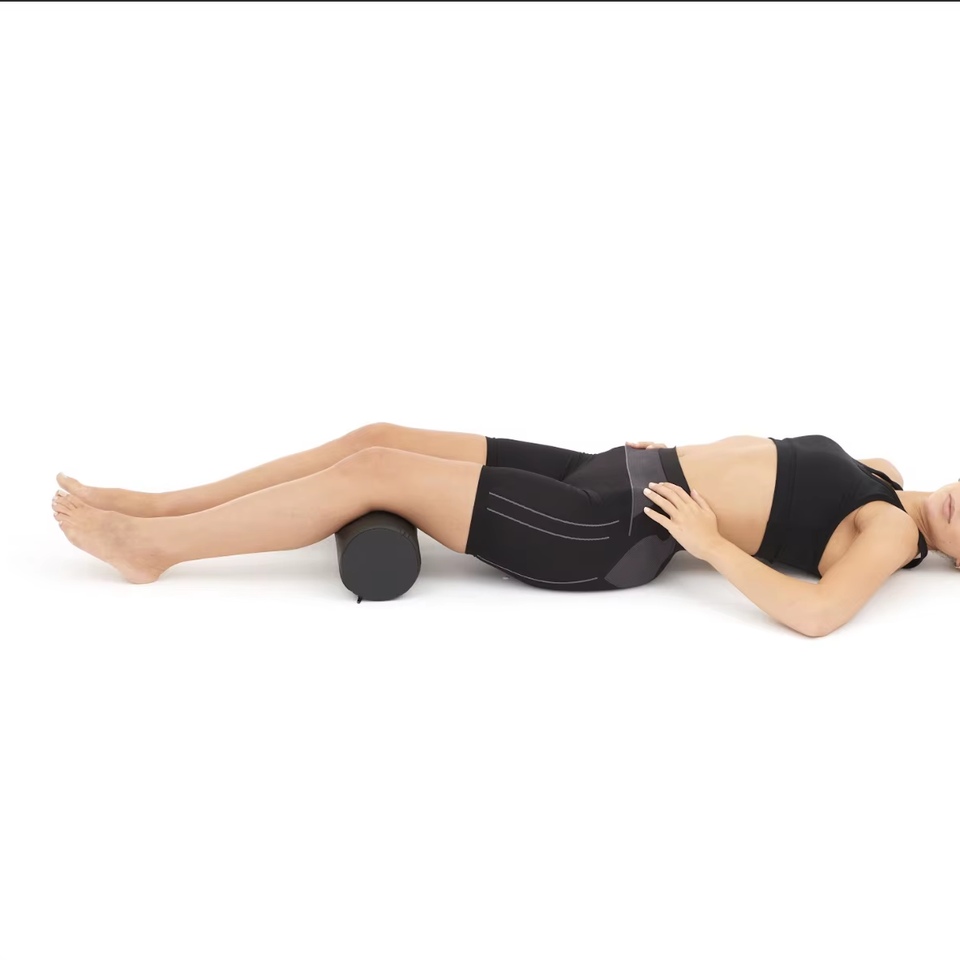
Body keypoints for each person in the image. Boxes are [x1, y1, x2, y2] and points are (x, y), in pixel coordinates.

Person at [51, 422, 960, 635]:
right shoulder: (885, 478)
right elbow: (774, 477)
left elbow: (817, 615)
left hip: (608, 530)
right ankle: (161, 503)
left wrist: (711, 542)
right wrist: (683, 447)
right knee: (376, 436)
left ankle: (154, 549)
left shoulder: (890, 533)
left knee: (374, 474)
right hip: (609, 469)